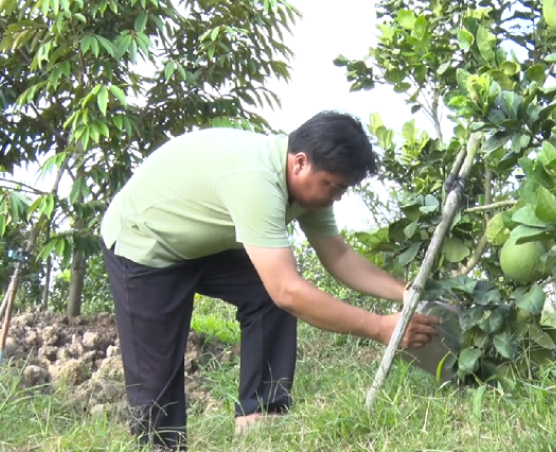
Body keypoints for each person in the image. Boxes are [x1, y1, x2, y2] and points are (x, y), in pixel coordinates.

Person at [99, 111, 441, 450]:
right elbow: (288, 291)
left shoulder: (308, 188)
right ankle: (161, 446)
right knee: (156, 383)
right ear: (300, 163)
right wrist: (381, 327)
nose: (336, 197)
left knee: (264, 293)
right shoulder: (256, 181)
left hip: (203, 242)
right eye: (334, 187)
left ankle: (260, 421)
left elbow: (338, 256)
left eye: (343, 190)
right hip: (144, 243)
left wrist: (405, 293)